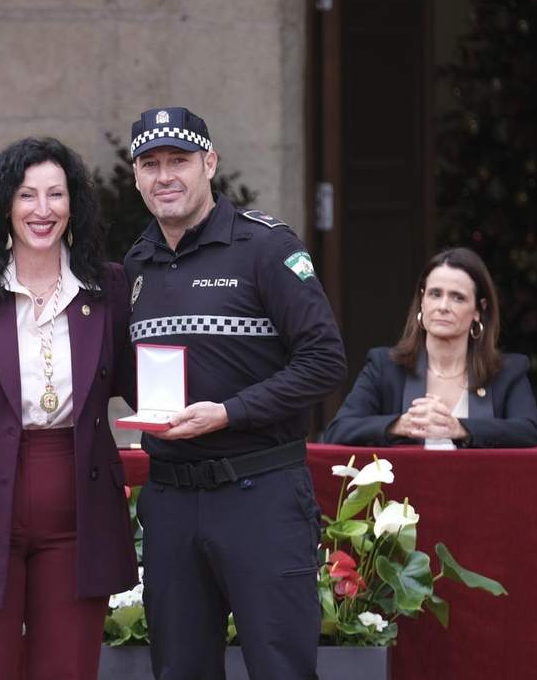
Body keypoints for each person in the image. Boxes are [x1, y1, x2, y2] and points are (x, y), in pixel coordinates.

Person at [124, 107, 346, 680]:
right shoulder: (135, 266)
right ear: (136, 176)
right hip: (171, 500)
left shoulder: (265, 247)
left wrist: (228, 413)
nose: (165, 175)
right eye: (151, 163)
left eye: (180, 160)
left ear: (210, 164)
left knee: (281, 670)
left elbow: (325, 361)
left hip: (261, 493)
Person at [0, 138, 137, 680]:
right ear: (5, 207)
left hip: (78, 506)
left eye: (55, 194)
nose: (42, 209)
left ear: (72, 205)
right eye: (27, 195)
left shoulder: (107, 287)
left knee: (68, 670)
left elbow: (140, 385)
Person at [322, 248, 537, 448]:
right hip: (405, 493)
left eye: (458, 297)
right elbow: (338, 430)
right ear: (422, 301)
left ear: (479, 309)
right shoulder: (385, 367)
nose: (443, 307)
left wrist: (460, 429)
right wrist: (400, 425)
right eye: (435, 294)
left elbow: (531, 431)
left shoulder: (507, 372)